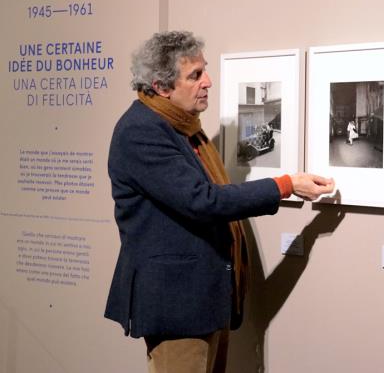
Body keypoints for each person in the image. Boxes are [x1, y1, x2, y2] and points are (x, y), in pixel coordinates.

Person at [104, 31, 334, 373]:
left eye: (204, 70)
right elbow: (202, 200)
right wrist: (286, 185)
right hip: (176, 305)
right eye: (195, 75)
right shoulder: (142, 130)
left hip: (203, 297)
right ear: (162, 86)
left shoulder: (181, 127)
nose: (208, 81)